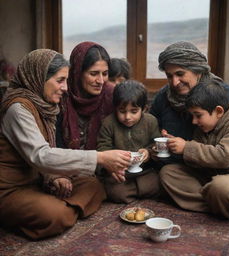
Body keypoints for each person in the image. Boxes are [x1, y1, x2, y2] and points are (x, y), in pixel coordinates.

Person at [0, 49, 131, 240]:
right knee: (55, 214)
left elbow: (43, 155)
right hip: (11, 189)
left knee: (94, 185)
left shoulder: (45, 105)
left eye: (66, 81)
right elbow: (40, 156)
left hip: (38, 180)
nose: (65, 88)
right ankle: (55, 214)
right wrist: (100, 157)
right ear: (39, 77)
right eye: (59, 80)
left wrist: (53, 176)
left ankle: (52, 211)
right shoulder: (18, 108)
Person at [160, 80, 229, 219]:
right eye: (192, 116)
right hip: (212, 174)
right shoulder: (204, 126)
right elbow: (199, 160)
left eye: (198, 115)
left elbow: (223, 157)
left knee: (221, 187)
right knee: (168, 173)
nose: (194, 121)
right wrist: (175, 145)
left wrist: (186, 147)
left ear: (218, 111)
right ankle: (217, 204)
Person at [150, 41, 229, 164]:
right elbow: (151, 129)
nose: (175, 82)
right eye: (169, 76)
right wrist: (156, 145)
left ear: (198, 71)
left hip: (223, 170)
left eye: (180, 74)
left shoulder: (227, 95)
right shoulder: (163, 97)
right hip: (176, 167)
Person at [97, 80, 161, 203]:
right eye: (122, 111)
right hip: (121, 173)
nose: (127, 117)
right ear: (115, 108)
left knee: (158, 181)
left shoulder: (150, 121)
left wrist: (148, 153)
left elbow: (155, 144)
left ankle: (135, 192)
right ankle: (140, 192)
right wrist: (112, 166)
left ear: (144, 109)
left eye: (133, 111)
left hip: (144, 171)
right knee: (116, 191)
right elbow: (102, 149)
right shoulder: (108, 123)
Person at [56, 41, 114, 150]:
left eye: (105, 74)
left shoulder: (112, 96)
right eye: (93, 74)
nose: (101, 81)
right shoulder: (61, 97)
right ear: (77, 72)